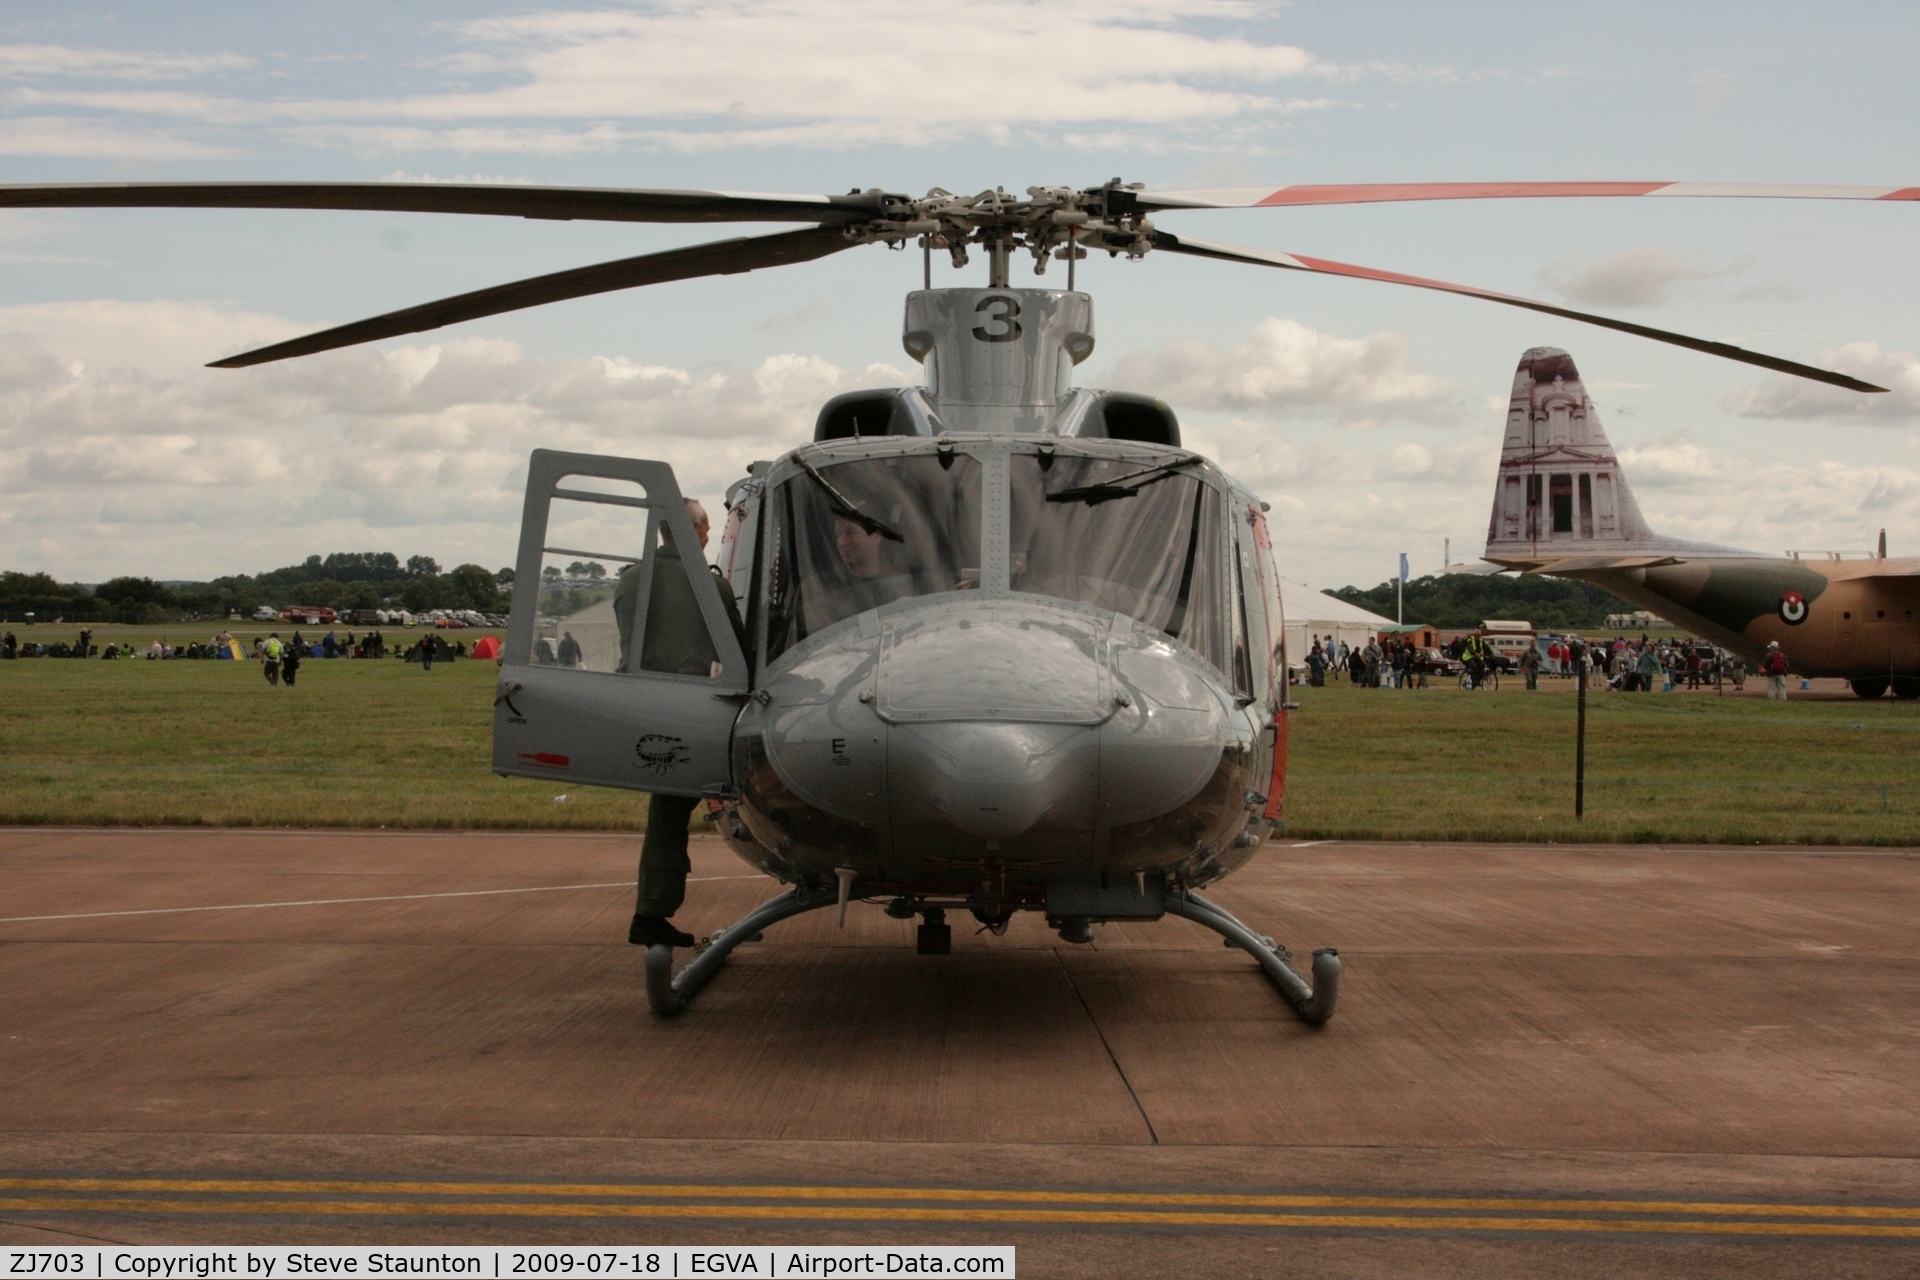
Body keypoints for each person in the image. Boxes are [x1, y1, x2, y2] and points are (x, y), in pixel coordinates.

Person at [615, 498, 747, 950]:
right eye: (707, 525)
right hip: (694, 710)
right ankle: (651, 913)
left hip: (646, 706)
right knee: (672, 813)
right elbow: (739, 652)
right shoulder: (711, 587)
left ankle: (652, 910)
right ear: (698, 529)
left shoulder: (633, 578)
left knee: (666, 812)